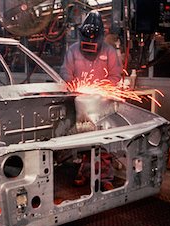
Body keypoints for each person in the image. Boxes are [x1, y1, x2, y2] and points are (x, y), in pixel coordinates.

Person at [60, 10, 122, 191]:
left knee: (104, 142)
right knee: (84, 141)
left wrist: (102, 88)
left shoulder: (109, 52)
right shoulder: (72, 51)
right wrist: (73, 84)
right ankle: (84, 171)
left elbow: (115, 75)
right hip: (81, 105)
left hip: (102, 104)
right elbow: (65, 71)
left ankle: (105, 177)